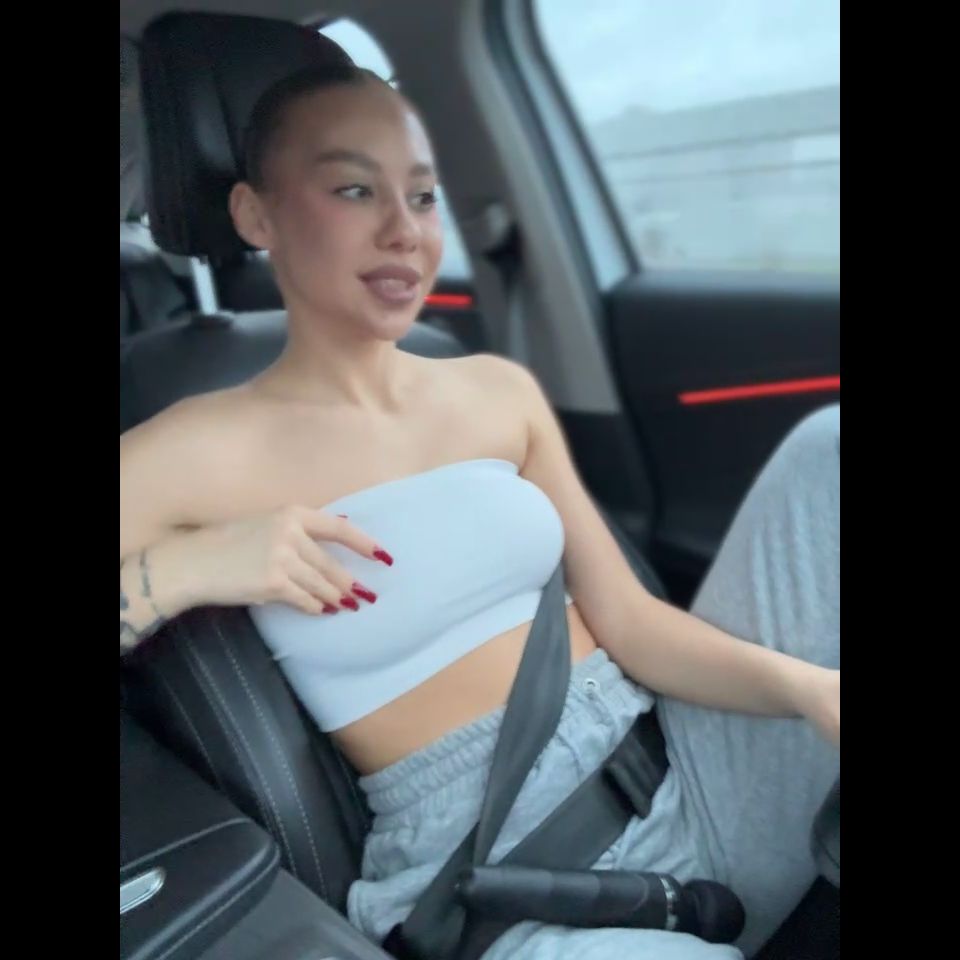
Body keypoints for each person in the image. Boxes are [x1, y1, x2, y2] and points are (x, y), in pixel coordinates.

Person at [119, 63, 839, 959]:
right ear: (254, 215)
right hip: (505, 876)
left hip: (677, 759)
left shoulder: (497, 390)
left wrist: (811, 692)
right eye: (354, 189)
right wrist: (185, 569)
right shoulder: (194, 446)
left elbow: (631, 622)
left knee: (827, 450)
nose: (404, 231)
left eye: (422, 197)